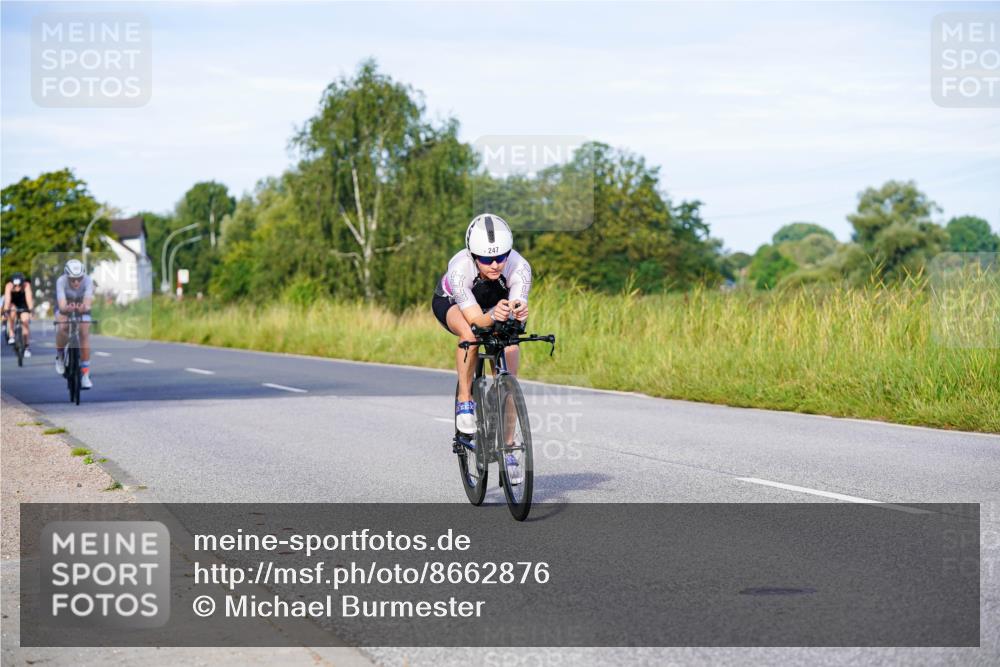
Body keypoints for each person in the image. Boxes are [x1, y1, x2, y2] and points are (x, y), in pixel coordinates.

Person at [432, 214, 532, 436]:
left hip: (495, 305)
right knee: (471, 335)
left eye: (501, 257)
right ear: (473, 255)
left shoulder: (520, 267)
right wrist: (495, 315)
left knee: (511, 351)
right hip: (453, 303)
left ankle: (509, 446)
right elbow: (477, 320)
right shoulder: (460, 268)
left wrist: (519, 313)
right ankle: (465, 400)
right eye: (487, 260)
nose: (495, 264)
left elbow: (516, 309)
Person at [54, 259, 95, 389]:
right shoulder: (61, 281)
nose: (76, 282)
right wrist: (68, 309)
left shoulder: (88, 281)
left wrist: (83, 307)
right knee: (63, 327)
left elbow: (87, 303)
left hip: (82, 307)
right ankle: (60, 356)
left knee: (84, 332)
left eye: (79, 278)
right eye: (73, 279)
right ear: (67, 276)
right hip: (65, 307)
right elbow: (61, 305)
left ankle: (85, 374)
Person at [3, 272, 34, 357]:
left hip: (23, 303)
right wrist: (6, 310)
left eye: (19, 286)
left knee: (25, 321)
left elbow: (29, 299)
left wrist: (31, 310)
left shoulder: (26, 285)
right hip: (13, 303)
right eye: (15, 286)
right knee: (12, 312)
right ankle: (12, 334)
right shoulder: (8, 286)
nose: (17, 288)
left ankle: (27, 347)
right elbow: (7, 300)